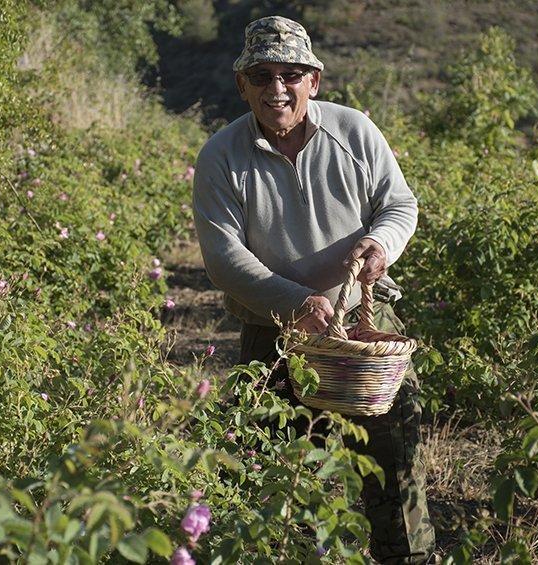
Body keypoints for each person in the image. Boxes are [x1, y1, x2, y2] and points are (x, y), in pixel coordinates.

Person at [192, 15, 435, 564]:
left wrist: (381, 245)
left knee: (395, 467)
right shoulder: (222, 156)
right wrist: (294, 302)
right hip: (273, 335)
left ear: (314, 81)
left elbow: (399, 204)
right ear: (243, 85)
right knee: (277, 474)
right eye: (262, 75)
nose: (277, 89)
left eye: (291, 74)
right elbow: (224, 260)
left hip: (365, 332)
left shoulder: (355, 134)